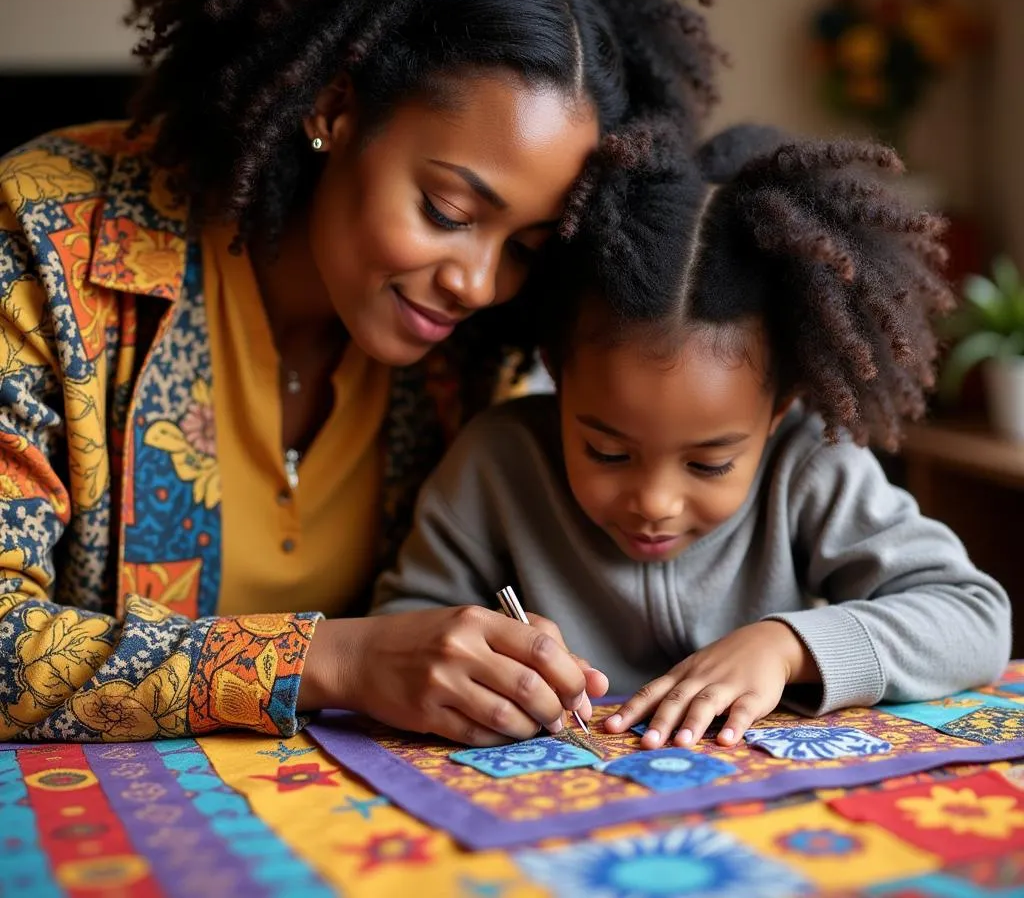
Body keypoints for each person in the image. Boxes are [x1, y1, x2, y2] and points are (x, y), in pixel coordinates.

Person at [0, 0, 722, 743]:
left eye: (525, 247)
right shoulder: (48, 240)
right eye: (449, 213)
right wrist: (335, 662)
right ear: (335, 107)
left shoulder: (479, 351)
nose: (479, 283)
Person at [372, 122, 1013, 750]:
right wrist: (483, 664)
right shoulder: (497, 464)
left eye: (709, 464)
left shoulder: (811, 467)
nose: (655, 502)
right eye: (608, 451)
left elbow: (975, 618)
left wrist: (788, 646)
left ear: (777, 410)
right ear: (558, 375)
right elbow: (403, 630)